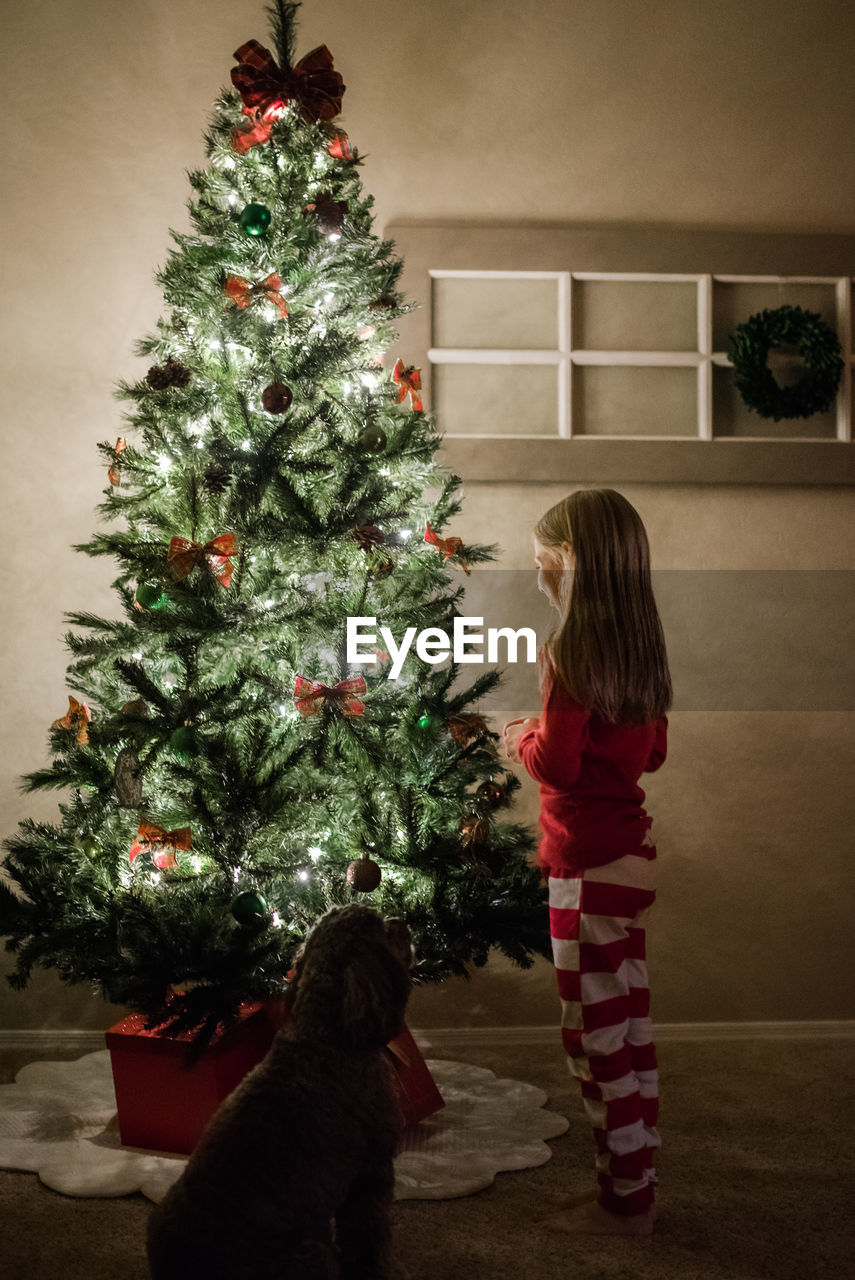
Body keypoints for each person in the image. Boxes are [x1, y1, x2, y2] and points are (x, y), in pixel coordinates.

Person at [502, 488, 672, 1237]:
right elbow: (653, 753)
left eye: (543, 559)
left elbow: (560, 769)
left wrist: (521, 733)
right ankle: (639, 1176)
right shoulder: (642, 648)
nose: (538, 573)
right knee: (626, 1024)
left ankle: (623, 1203)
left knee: (590, 1034)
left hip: (586, 865)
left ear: (569, 560)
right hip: (630, 857)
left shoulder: (569, 652)